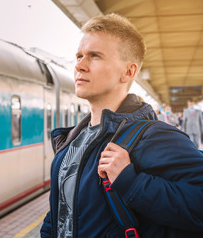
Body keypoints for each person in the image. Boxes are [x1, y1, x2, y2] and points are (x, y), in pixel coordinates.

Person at [40, 13, 203, 238]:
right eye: (79, 56)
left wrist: (132, 183)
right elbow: (61, 212)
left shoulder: (154, 137)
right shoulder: (70, 143)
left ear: (129, 72)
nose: (80, 65)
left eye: (95, 56)